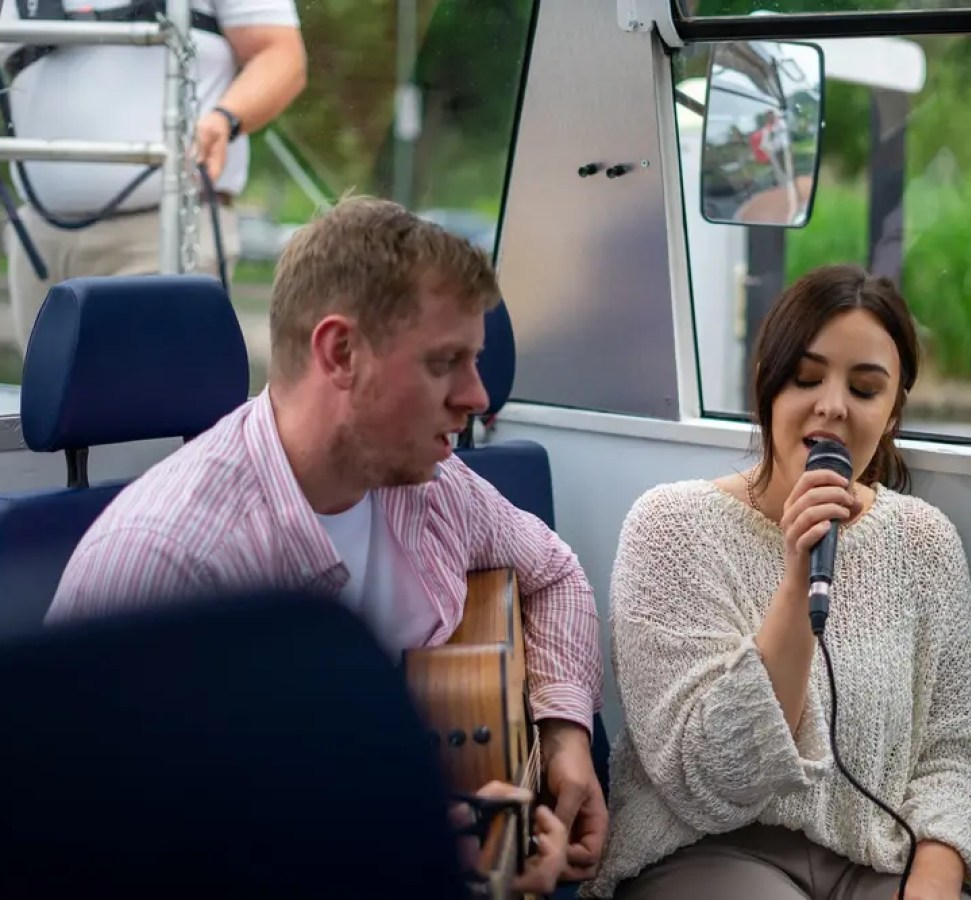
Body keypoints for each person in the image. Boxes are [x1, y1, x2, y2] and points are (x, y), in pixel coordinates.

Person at [45, 195, 608, 888]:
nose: (478, 396)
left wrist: (563, 736)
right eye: (446, 362)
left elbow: (552, 571)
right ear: (340, 352)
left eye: (476, 361)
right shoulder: (161, 564)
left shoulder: (430, 485)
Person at [582, 264, 971, 900]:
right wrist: (798, 577)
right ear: (768, 386)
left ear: (892, 413)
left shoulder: (926, 542)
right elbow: (708, 777)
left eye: (865, 388)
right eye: (807, 378)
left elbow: (952, 754)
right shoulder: (670, 528)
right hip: (709, 851)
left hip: (878, 858)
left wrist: (931, 885)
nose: (832, 405)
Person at [0, 0, 308, 354]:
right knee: (48, 406)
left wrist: (225, 119)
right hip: (38, 240)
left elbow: (281, 55)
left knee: (155, 401)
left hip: (165, 229)